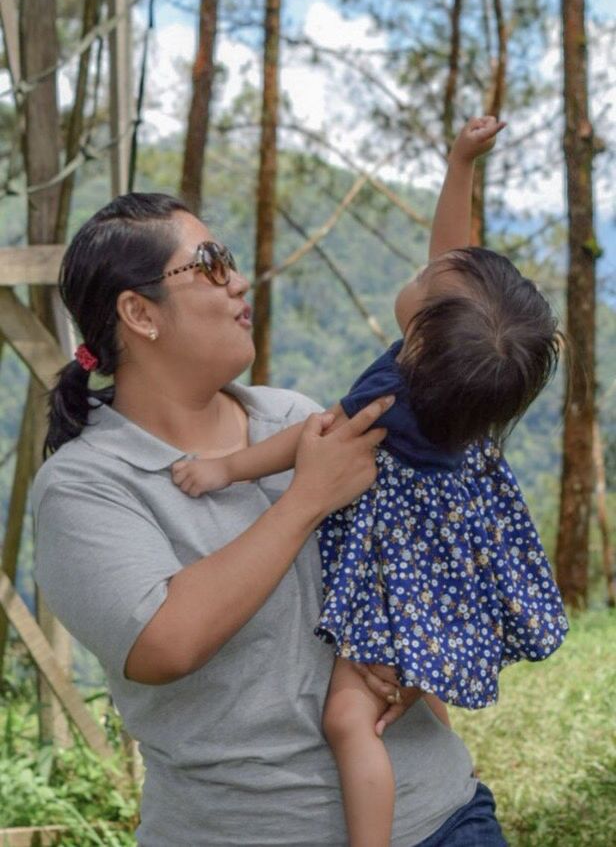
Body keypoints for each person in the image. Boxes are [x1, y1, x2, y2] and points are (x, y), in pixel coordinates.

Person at [32, 198, 508, 846]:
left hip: (441, 818)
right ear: (139, 313)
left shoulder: (293, 417)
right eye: (209, 263)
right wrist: (305, 498)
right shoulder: (84, 484)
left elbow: (401, 554)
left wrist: (421, 688)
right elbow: (164, 640)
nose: (237, 279)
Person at [171, 117, 569, 847]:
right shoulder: (468, 397)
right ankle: (443, 787)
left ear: (418, 336)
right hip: (458, 590)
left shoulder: (393, 397)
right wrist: (460, 166)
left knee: (351, 718)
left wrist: (225, 466)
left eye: (422, 284)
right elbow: (455, 258)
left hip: (402, 592)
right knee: (408, 707)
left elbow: (308, 439)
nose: (420, 270)